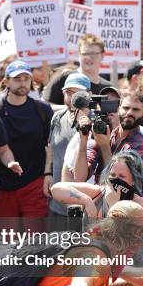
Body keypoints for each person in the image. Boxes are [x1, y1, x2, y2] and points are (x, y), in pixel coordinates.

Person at [37, 200, 143, 286]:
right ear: (132, 233)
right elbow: (87, 267)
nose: (142, 240)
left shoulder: (101, 249)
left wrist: (137, 281)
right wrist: (81, 283)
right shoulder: (96, 252)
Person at [0, 60, 53, 223]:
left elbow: (50, 145)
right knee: (8, 244)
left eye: (26, 79)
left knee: (35, 243)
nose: (22, 83)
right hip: (3, 186)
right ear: (6, 81)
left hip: (34, 184)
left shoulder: (43, 110)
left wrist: (48, 174)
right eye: (17, 79)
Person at [78, 90, 143, 205]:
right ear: (118, 109)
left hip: (126, 209)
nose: (129, 113)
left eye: (136, 109)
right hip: (100, 206)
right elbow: (79, 177)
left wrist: (105, 148)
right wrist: (83, 142)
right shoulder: (107, 133)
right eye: (126, 108)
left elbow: (118, 185)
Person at [51, 151, 143, 222]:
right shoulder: (98, 192)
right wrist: (86, 200)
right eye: (112, 175)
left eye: (122, 176)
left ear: (133, 180)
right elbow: (56, 189)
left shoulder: (140, 204)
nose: (116, 179)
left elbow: (121, 238)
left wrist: (113, 206)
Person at [45, 73, 92, 220]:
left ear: (89, 95)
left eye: (78, 93)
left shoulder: (96, 122)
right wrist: (48, 173)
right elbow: (51, 146)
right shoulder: (58, 117)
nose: (73, 97)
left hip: (87, 207)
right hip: (58, 203)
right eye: (68, 92)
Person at [42, 34, 111, 106]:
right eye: (85, 53)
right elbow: (44, 106)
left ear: (102, 55)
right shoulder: (65, 77)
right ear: (79, 55)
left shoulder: (107, 87)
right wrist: (70, 109)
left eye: (93, 53)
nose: (89, 57)